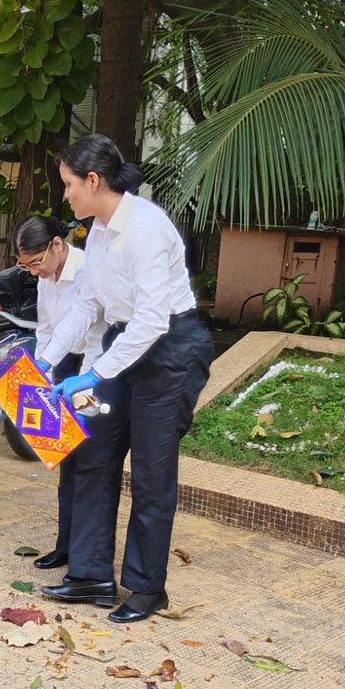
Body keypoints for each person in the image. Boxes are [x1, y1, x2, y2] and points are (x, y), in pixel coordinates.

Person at [44, 134, 214, 622]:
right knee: (95, 453)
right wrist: (49, 360)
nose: (66, 195)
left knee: (151, 474)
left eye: (69, 184)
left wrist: (94, 373)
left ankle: (145, 588)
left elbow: (152, 322)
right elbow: (88, 304)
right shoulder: (96, 229)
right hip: (125, 346)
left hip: (170, 350)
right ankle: (91, 574)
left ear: (93, 181)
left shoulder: (144, 228)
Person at [12, 216, 119, 593]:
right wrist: (42, 375)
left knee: (88, 459)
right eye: (26, 266)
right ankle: (64, 546)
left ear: (57, 245)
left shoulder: (88, 269)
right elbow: (46, 329)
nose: (34, 272)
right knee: (64, 458)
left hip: (92, 368)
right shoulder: (45, 279)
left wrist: (82, 388)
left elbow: (96, 335)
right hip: (60, 364)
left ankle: (84, 553)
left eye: (36, 261)